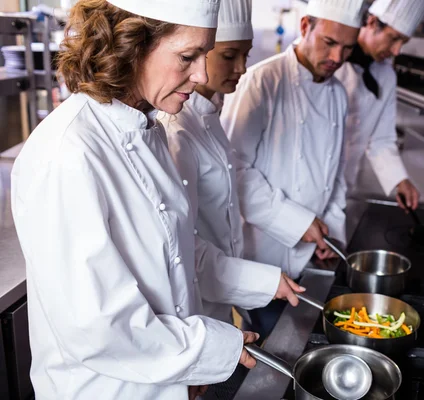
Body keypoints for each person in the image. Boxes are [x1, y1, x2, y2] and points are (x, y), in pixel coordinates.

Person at [10, 0, 290, 398]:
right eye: (188, 56)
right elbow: (98, 327)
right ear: (130, 44)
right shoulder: (68, 154)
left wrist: (189, 370)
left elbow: (179, 252)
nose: (202, 74)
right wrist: (206, 353)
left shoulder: (149, 130)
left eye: (205, 54)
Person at [221, 0, 364, 337]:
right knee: (273, 341)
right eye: (329, 43)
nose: (338, 58)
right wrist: (297, 223)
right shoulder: (261, 82)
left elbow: (336, 173)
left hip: (315, 252)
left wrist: (332, 232)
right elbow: (236, 173)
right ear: (305, 28)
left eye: (347, 48)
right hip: (265, 256)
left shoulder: (339, 94)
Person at [159, 0, 303, 327]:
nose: (241, 68)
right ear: (199, 52)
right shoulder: (176, 130)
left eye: (246, 55)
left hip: (222, 300)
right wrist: (261, 281)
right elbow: (183, 247)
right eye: (229, 56)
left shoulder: (209, 115)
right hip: (196, 309)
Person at [335, 0, 424, 210]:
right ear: (371, 22)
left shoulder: (385, 75)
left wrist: (399, 180)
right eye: (394, 38)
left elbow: (380, 138)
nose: (397, 51)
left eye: (403, 42)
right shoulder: (330, 64)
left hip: (342, 193)